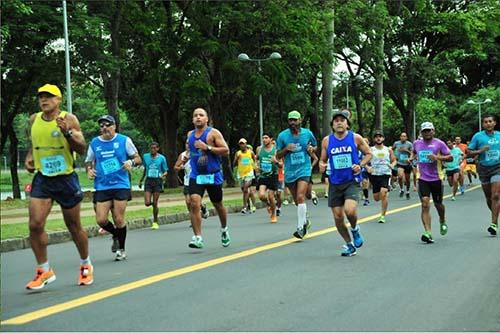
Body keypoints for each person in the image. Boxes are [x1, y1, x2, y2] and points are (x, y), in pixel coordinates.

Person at [24, 84, 93, 290]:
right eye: (41, 97)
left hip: (65, 178)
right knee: (35, 224)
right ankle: (44, 270)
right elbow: (33, 141)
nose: (44, 100)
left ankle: (85, 265)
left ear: (59, 100)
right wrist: (29, 157)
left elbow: (81, 149)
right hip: (43, 178)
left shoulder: (68, 119)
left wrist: (67, 132)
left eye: (49, 97)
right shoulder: (33, 119)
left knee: (73, 226)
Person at [85, 115, 141, 261]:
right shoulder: (95, 143)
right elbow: (88, 161)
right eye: (102, 125)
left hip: (120, 184)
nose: (104, 128)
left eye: (107, 125)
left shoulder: (124, 140)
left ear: (114, 126)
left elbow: (137, 158)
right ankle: (116, 234)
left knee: (118, 218)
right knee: (101, 220)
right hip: (102, 185)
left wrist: (131, 162)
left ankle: (121, 249)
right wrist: (89, 170)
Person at [319, 110, 372, 256]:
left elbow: (369, 154)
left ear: (347, 124)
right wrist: (321, 165)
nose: (339, 122)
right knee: (338, 217)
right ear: (332, 125)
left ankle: (355, 229)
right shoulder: (327, 141)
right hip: (335, 183)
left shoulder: (355, 138)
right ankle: (349, 245)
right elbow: (322, 159)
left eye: (342, 120)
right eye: (336, 120)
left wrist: (360, 165)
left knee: (349, 210)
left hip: (352, 181)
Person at [186, 108, 230, 248]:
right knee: (194, 203)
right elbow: (192, 151)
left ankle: (224, 229)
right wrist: (186, 156)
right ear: (192, 119)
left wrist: (208, 148)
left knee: (218, 205)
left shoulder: (213, 133)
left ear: (206, 119)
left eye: (201, 115)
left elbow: (226, 150)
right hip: (196, 175)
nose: (198, 117)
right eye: (195, 115)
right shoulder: (190, 135)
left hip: (213, 175)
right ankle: (198, 237)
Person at [276, 110, 317, 239]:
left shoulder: (307, 133)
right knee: (297, 201)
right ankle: (305, 221)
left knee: (300, 197)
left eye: (295, 120)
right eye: (290, 120)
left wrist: (312, 149)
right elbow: (277, 155)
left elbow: (314, 146)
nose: (293, 122)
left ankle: (300, 229)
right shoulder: (282, 136)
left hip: (304, 169)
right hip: (290, 172)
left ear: (300, 120)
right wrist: (286, 149)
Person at [410, 122, 452, 243]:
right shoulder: (417, 143)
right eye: (425, 131)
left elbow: (450, 157)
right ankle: (428, 232)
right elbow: (413, 151)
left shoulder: (439, 143)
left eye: (429, 130)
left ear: (433, 131)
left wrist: (437, 158)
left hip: (436, 178)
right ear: (421, 132)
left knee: (438, 204)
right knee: (425, 203)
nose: (427, 133)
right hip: (422, 178)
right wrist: (412, 157)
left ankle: (442, 220)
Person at [467, 114, 500, 236]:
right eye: (486, 122)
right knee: (489, 197)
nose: (488, 124)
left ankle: (494, 224)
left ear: (494, 123)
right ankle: (495, 215)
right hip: (484, 169)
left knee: (496, 195)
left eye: (490, 121)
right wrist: (480, 151)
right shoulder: (478, 136)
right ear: (483, 124)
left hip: (498, 167)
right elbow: (468, 152)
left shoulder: (499, 136)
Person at [174, 141, 209, 221]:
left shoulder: (198, 153)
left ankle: (202, 208)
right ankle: (193, 218)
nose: (188, 145)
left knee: (195, 201)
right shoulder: (182, 155)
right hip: (187, 181)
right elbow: (175, 167)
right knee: (188, 202)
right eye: (186, 143)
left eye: (190, 143)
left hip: (197, 180)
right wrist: (181, 166)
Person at [366, 131, 396, 223]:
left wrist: (392, 165)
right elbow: (364, 161)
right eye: (376, 137)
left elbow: (394, 160)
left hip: (385, 173)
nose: (378, 138)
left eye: (380, 137)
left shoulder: (388, 149)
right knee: (376, 198)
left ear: (383, 138)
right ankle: (385, 192)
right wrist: (368, 167)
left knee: (383, 193)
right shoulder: (370, 149)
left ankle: (382, 216)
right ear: (374, 139)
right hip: (375, 174)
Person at [138, 142, 169, 230]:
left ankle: (155, 221)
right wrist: (141, 180)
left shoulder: (162, 158)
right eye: (151, 148)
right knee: (147, 203)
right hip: (148, 180)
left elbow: (165, 170)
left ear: (158, 149)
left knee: (155, 202)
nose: (153, 150)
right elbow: (145, 169)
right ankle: (154, 206)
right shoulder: (146, 157)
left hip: (157, 181)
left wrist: (163, 175)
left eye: (155, 148)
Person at [256, 133, 279, 223]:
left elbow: (281, 164)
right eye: (263, 138)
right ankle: (269, 203)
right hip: (263, 175)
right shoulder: (259, 149)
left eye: (266, 138)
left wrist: (276, 162)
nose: (264, 140)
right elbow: (256, 158)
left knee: (270, 195)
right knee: (261, 196)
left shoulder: (276, 150)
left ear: (271, 139)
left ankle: (273, 214)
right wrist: (256, 165)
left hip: (273, 175)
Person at [234, 138, 257, 214]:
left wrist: (255, 167)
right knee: (246, 191)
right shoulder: (238, 153)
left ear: (246, 144)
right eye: (240, 144)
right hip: (241, 174)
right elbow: (234, 164)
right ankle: (251, 204)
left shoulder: (250, 152)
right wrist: (237, 159)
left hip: (249, 173)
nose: (242, 145)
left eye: (243, 143)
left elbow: (254, 160)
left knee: (245, 189)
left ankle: (244, 206)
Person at [392, 132, 413, 199]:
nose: (403, 137)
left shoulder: (409, 144)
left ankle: (407, 191)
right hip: (399, 163)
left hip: (407, 163)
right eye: (401, 136)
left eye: (404, 136)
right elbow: (392, 150)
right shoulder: (396, 143)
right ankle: (401, 189)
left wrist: (406, 151)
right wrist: (394, 157)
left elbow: (412, 153)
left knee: (407, 179)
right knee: (400, 176)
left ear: (406, 137)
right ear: (400, 137)